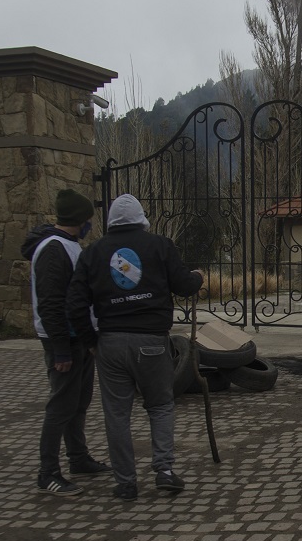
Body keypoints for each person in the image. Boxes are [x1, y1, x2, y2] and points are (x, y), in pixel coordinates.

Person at [66, 194, 204, 501]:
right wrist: (197, 278)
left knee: (117, 414)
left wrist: (91, 342)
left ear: (111, 221)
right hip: (152, 342)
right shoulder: (160, 246)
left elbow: (74, 304)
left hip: (110, 344)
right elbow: (184, 285)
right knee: (160, 406)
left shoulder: (92, 253)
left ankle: (126, 482)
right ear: (142, 219)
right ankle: (165, 471)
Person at [21, 188, 112, 497]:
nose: (92, 224)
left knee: (78, 403)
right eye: (90, 218)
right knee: (61, 406)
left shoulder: (71, 246)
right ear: (80, 219)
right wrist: (61, 347)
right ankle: (48, 473)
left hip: (80, 337)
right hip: (65, 341)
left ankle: (78, 457)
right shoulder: (53, 250)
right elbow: (50, 303)